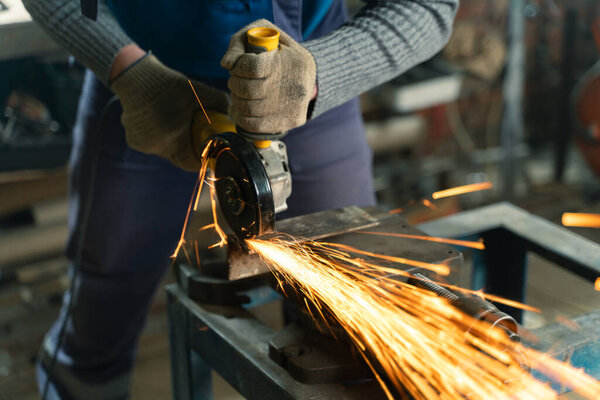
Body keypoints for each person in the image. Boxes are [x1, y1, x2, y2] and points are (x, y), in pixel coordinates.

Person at [22, 0, 458, 398]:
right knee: (100, 313)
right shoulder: (135, 77)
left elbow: (428, 6)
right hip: (141, 78)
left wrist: (319, 74)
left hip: (308, 77)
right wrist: (127, 72)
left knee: (351, 320)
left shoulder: (309, 76)